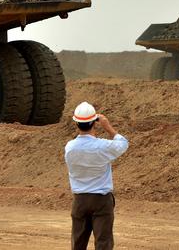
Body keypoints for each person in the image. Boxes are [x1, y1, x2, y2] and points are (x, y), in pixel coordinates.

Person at [64, 102, 129, 250]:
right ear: (95, 122)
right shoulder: (103, 146)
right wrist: (108, 127)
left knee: (78, 244)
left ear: (76, 123)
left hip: (79, 200)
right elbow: (123, 144)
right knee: (103, 243)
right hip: (101, 200)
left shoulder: (69, 147)